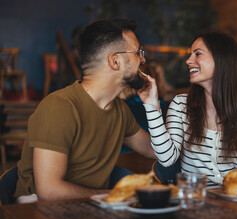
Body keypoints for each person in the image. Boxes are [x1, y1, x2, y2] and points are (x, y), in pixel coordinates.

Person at [14, 18, 156, 202]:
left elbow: (154, 149)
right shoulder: (59, 107)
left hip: (90, 207)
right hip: (37, 212)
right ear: (115, 60)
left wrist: (152, 105)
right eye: (137, 53)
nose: (143, 59)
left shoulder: (119, 110)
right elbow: (49, 191)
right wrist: (114, 196)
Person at [138, 32, 237, 188]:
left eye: (197, 54)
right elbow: (166, 158)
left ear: (222, 60)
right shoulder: (181, 105)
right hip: (193, 200)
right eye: (190, 55)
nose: (188, 61)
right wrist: (151, 105)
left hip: (234, 203)